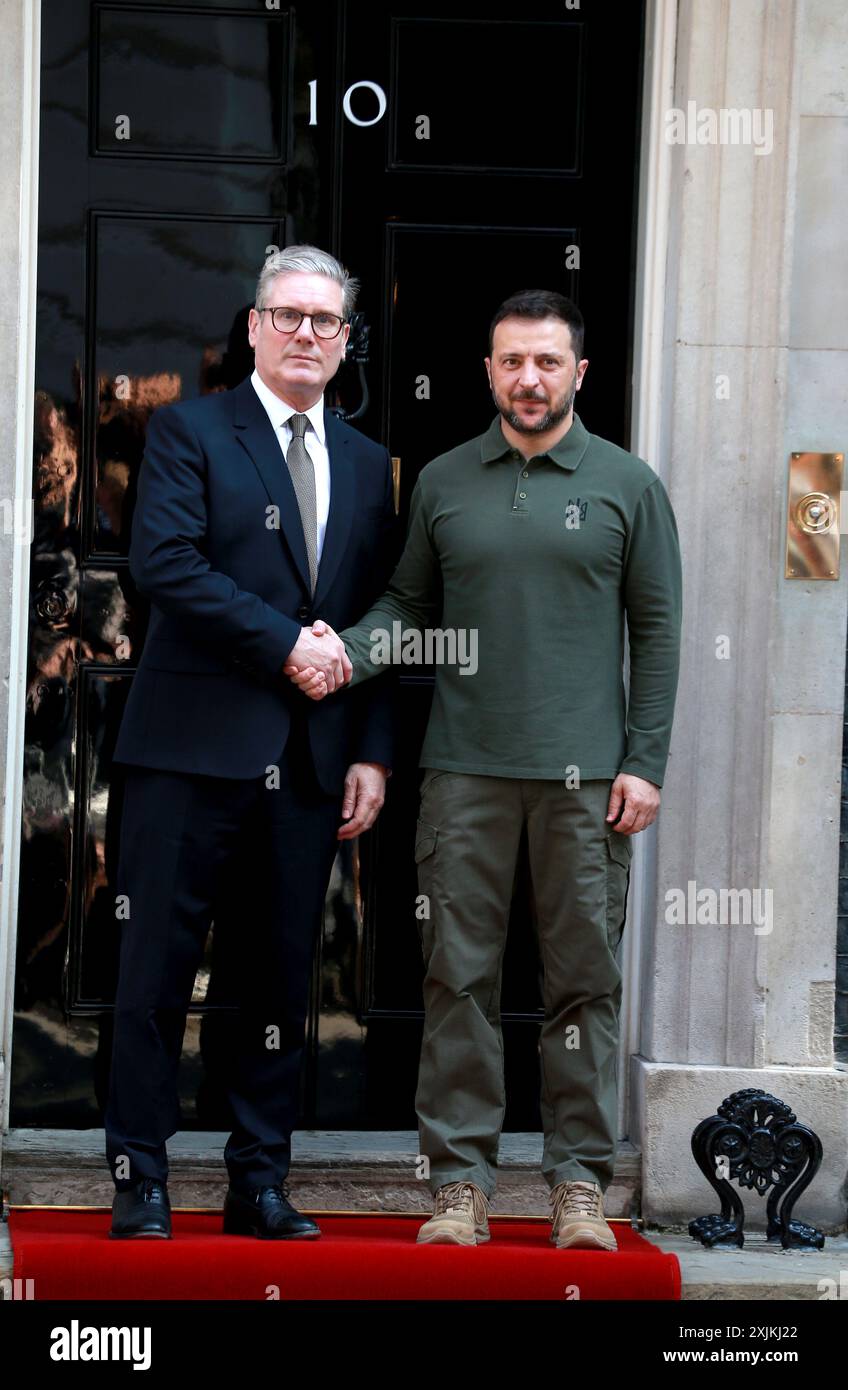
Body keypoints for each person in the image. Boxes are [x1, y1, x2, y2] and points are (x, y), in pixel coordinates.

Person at [286, 289, 683, 1250]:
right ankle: (459, 1184)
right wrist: (339, 650)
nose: (529, 379)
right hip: (463, 774)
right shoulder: (446, 481)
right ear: (490, 370)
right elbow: (409, 607)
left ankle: (578, 1184)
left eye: (547, 362)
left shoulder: (630, 486)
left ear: (579, 374)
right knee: (455, 980)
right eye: (512, 361)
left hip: (588, 784)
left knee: (582, 984)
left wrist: (644, 762)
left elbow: (660, 630)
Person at [105, 245, 398, 1240]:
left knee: (277, 976)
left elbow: (375, 615)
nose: (307, 333)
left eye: (326, 320)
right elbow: (166, 564)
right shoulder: (190, 430)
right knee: (152, 970)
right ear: (254, 325)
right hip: (188, 750)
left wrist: (370, 748)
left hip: (311, 763)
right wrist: (288, 648)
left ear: (346, 339)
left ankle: (258, 1181)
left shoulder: (366, 462)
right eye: (289, 316)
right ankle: (138, 1174)